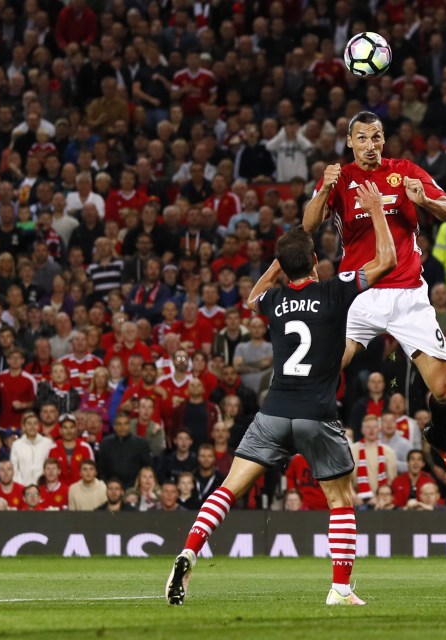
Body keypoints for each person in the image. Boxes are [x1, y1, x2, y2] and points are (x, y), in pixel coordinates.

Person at [166, 180, 396, 607]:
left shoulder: (272, 303)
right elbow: (387, 261)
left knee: (226, 489)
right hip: (316, 413)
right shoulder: (333, 290)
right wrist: (378, 210)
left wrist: (279, 264)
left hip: (273, 412)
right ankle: (340, 588)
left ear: (281, 265)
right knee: (340, 499)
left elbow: (252, 298)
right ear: (313, 261)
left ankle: (189, 551)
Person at [303, 111, 446, 476]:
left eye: (376, 138)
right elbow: (308, 226)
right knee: (322, 370)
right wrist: (325, 189)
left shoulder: (405, 171)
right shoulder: (340, 178)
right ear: (349, 142)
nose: (370, 145)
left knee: (445, 393)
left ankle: (438, 435)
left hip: (408, 295)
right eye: (361, 138)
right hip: (358, 293)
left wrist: (424, 200)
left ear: (383, 140)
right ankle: (307, 439)